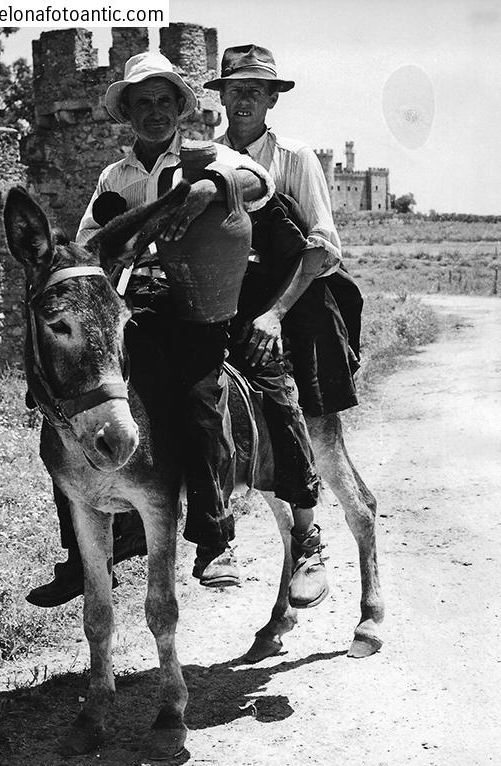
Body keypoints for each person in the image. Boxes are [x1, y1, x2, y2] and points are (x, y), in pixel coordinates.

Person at [27, 51, 319, 605]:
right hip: (132, 304)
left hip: (196, 302)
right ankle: (82, 552)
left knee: (198, 393)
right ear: (129, 112)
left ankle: (213, 539)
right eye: (144, 102)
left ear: (181, 108)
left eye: (165, 100)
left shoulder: (206, 156)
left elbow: (257, 182)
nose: (155, 111)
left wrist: (212, 186)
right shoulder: (115, 176)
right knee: (61, 402)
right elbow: (89, 245)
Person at [204, 44, 364, 607]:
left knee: (283, 401)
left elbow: (323, 248)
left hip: (284, 303)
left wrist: (273, 314)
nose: (242, 98)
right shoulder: (200, 158)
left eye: (255, 89)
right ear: (219, 96)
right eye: (233, 88)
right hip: (216, 300)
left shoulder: (295, 158)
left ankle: (310, 539)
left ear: (273, 99)